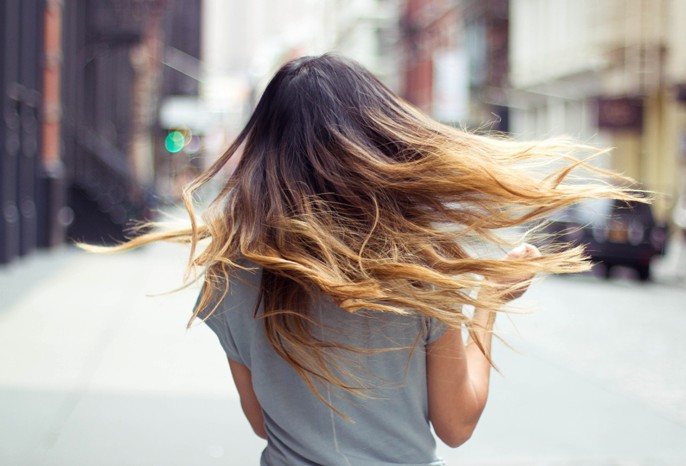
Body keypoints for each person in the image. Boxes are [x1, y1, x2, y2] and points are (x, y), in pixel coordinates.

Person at [77, 53, 645, 465]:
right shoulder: (418, 261)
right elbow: (456, 424)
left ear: (266, 151)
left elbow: (262, 421)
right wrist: (488, 304)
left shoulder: (231, 270)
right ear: (376, 141)